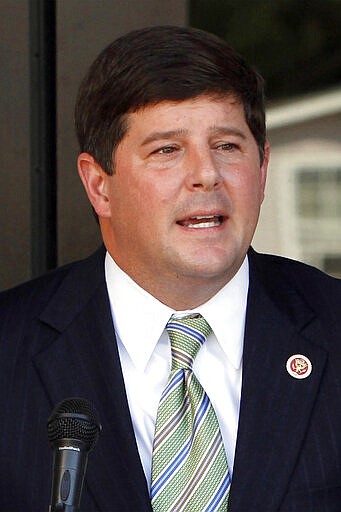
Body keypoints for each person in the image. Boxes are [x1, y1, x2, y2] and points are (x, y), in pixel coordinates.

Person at [0, 25, 340, 512]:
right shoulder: (9, 350)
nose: (206, 174)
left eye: (227, 145)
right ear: (99, 185)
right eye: (167, 150)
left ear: (262, 169)